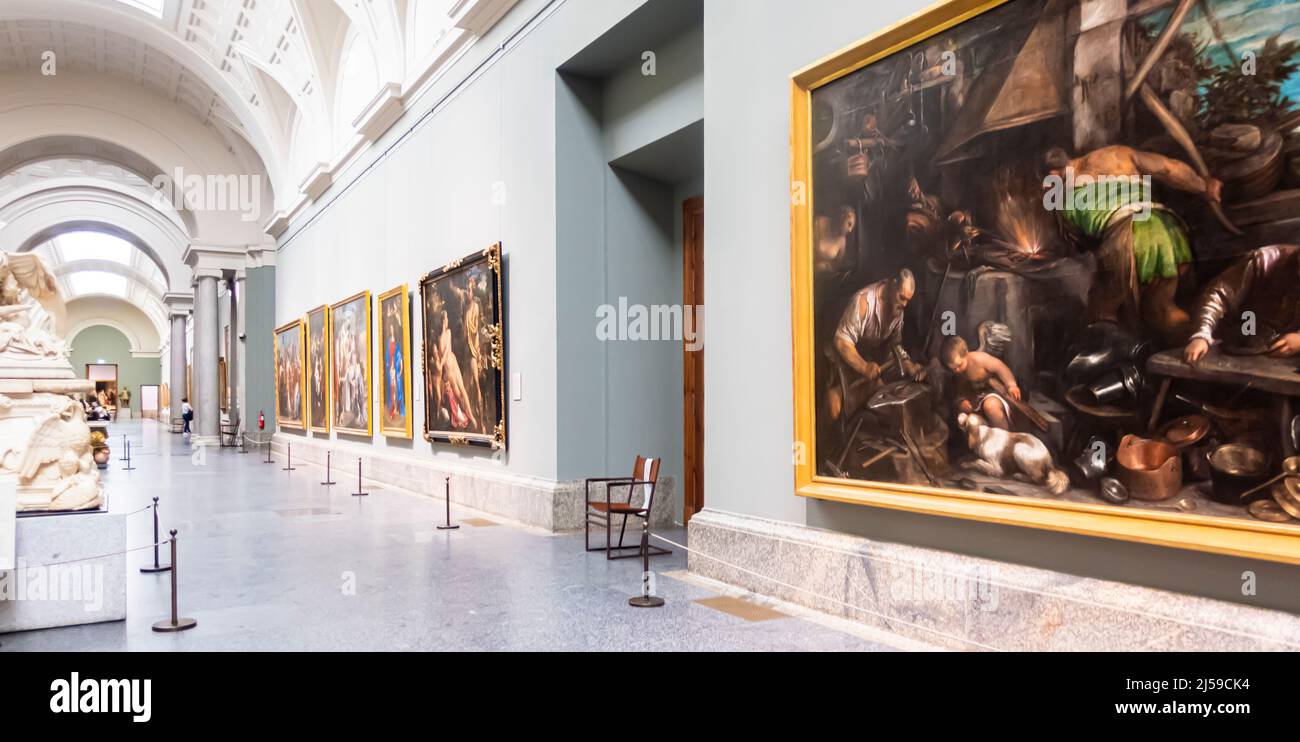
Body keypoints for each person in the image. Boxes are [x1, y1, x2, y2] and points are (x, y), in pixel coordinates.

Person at [1043, 145, 1222, 341]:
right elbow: (1168, 168)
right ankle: (1199, 341)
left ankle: (1112, 366)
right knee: (1161, 310)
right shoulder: (1114, 154)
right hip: (1166, 228)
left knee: (1099, 311)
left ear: (1052, 174)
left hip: (1128, 238)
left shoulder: (1061, 196)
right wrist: (1203, 186)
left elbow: (1080, 246)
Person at [823, 268, 925, 423]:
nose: (904, 304)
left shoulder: (897, 312)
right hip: (842, 358)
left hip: (867, 362)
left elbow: (895, 346)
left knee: (882, 400)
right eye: (901, 297)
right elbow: (842, 341)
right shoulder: (864, 302)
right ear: (892, 284)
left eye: (907, 300)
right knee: (834, 406)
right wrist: (864, 367)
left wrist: (909, 365)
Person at [1184, 244, 1300, 363]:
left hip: (1284, 356)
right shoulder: (1262, 260)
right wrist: (1201, 335)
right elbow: (1217, 295)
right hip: (1239, 344)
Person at [941, 335, 1021, 430]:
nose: (957, 370)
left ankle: (1004, 438)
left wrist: (1011, 385)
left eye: (959, 365)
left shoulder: (979, 359)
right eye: (953, 369)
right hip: (974, 400)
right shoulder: (956, 373)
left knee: (991, 407)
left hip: (993, 393)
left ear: (966, 353)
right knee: (964, 417)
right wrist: (962, 401)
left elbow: (1000, 367)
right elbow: (959, 390)